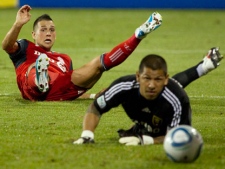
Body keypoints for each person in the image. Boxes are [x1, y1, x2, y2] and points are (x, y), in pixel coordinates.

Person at [1, 5, 162, 101]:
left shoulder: (64, 59)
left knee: (99, 65)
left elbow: (71, 90)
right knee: (33, 69)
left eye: (52, 30)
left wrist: (92, 96)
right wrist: (17, 24)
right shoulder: (25, 47)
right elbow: (6, 46)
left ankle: (138, 35)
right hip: (30, 86)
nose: (48, 33)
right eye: (43, 30)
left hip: (57, 91)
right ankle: (40, 78)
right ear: (34, 35)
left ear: (56, 34)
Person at [73, 47, 223, 145]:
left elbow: (177, 137)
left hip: (165, 116)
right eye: (146, 78)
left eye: (158, 79)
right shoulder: (123, 86)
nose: (151, 85)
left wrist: (145, 140)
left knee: (174, 87)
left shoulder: (178, 99)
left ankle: (204, 66)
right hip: (155, 107)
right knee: (173, 85)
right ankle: (204, 66)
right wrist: (87, 135)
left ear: (165, 79)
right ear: (138, 77)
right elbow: (96, 107)